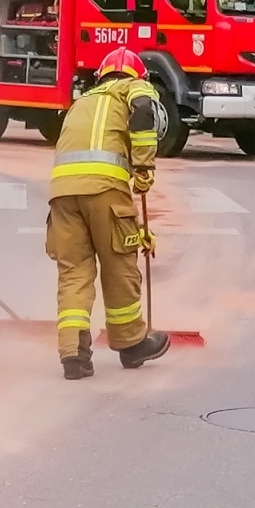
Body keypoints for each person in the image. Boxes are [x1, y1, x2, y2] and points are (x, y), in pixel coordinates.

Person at [46, 47, 169, 380]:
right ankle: (131, 344)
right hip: (104, 189)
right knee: (118, 266)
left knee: (74, 273)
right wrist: (143, 166)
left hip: (62, 193)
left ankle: (73, 353)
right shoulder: (135, 87)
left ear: (101, 77)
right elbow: (144, 113)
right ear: (137, 75)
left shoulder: (82, 101)